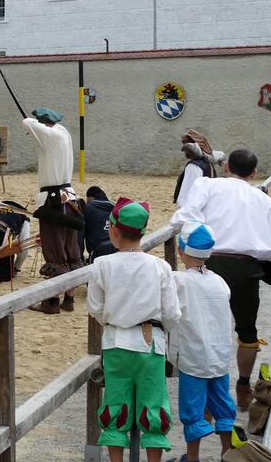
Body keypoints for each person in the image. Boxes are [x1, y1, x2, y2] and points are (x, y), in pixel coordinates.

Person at [171, 149, 271, 408]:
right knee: (247, 331)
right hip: (245, 268)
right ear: (255, 173)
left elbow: (185, 215)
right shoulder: (265, 201)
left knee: (202, 323)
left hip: (209, 260)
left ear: (226, 167)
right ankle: (243, 384)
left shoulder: (208, 185)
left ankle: (203, 384)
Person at [87, 198, 180, 462]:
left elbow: (95, 307)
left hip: (116, 342)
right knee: (153, 406)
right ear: (143, 232)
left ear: (113, 230)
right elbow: (172, 313)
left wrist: (112, 319)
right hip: (150, 344)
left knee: (115, 406)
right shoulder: (160, 267)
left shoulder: (102, 264)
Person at [170, 222, 236, 462]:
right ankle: (227, 454)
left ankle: (193, 456)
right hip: (219, 356)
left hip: (193, 357)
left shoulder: (179, 281)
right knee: (223, 404)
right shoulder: (219, 281)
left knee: (192, 410)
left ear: (180, 251)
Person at [23, 107, 84, 314]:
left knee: (55, 251)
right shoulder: (63, 133)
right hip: (70, 199)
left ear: (44, 124)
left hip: (53, 202)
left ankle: (51, 303)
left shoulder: (50, 136)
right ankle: (69, 300)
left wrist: (35, 123)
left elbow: (27, 123)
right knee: (71, 251)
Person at [80, 186, 117, 262]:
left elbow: (80, 235)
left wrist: (80, 256)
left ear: (90, 198)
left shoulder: (88, 208)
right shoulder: (115, 207)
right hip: (116, 247)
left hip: (97, 251)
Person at [174, 141, 213, 207]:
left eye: (187, 151)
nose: (186, 153)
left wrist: (182, 206)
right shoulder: (207, 164)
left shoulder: (193, 167)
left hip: (191, 206)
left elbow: (188, 188)